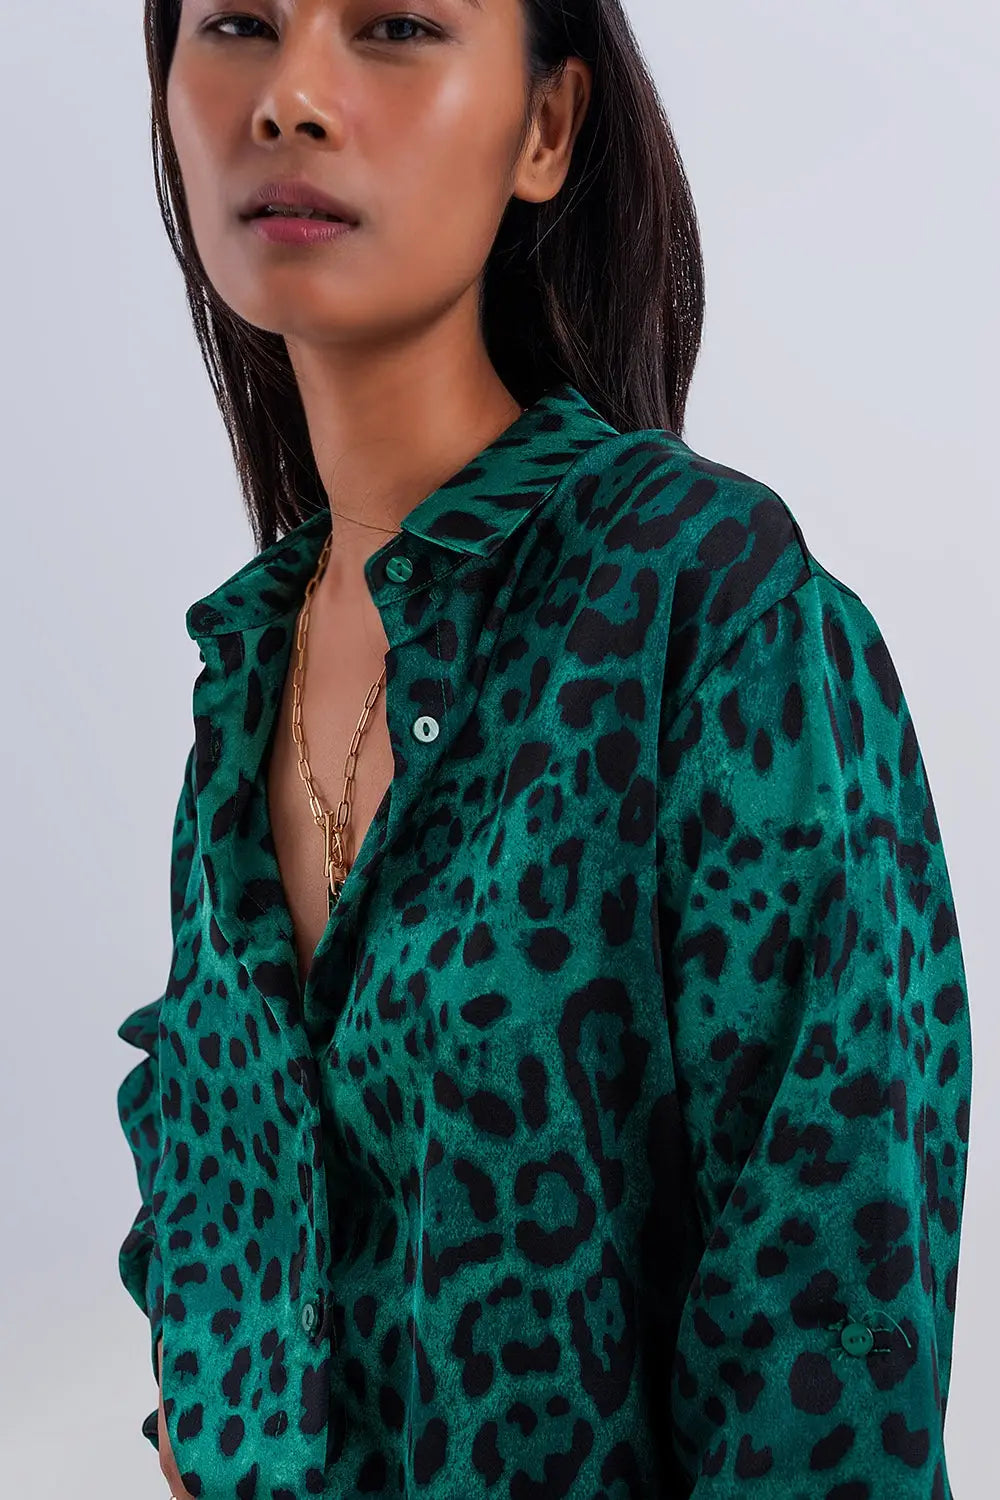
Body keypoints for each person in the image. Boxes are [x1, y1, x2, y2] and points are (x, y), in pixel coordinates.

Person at [115, 1, 973, 1497]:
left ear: (547, 128)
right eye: (239, 21)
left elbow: (827, 1327)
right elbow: (223, 1246)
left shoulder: (707, 606)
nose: (290, 96)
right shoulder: (245, 680)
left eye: (394, 25)